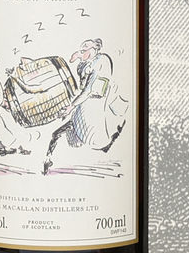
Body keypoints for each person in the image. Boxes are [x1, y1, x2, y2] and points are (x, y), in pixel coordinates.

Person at [43, 37, 128, 173]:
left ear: (94, 49)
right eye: (81, 49)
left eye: (84, 49)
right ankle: (48, 160)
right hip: (82, 109)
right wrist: (79, 57)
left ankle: (111, 140)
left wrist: (71, 107)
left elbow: (88, 90)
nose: (81, 52)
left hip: (91, 109)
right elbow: (81, 87)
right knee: (60, 134)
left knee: (90, 138)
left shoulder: (102, 62)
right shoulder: (88, 63)